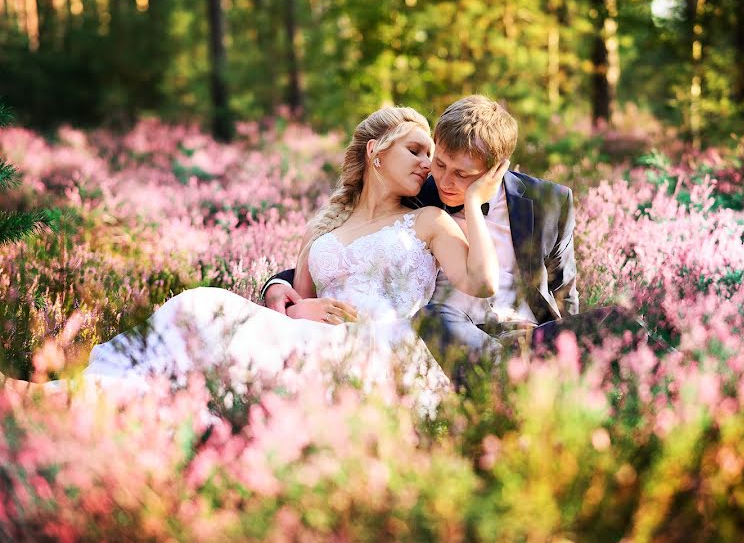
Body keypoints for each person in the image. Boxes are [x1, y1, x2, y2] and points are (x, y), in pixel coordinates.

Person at [5, 106, 508, 414]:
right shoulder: (327, 228)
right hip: (309, 335)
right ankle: (73, 395)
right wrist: (291, 307)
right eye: (418, 150)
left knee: (206, 318)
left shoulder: (429, 223)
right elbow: (298, 293)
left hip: (375, 345)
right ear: (377, 151)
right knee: (197, 310)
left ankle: (74, 401)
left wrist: (471, 195)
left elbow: (482, 281)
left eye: (433, 157)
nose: (428, 164)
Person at [263, 96, 618, 382]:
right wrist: (280, 287)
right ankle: (513, 385)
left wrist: (570, 342)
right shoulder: (418, 192)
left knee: (616, 321)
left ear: (497, 168)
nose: (442, 179)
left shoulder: (548, 202)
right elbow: (356, 250)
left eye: (462, 174)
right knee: (437, 318)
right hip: (451, 335)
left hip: (527, 336)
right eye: (439, 162)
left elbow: (562, 289)